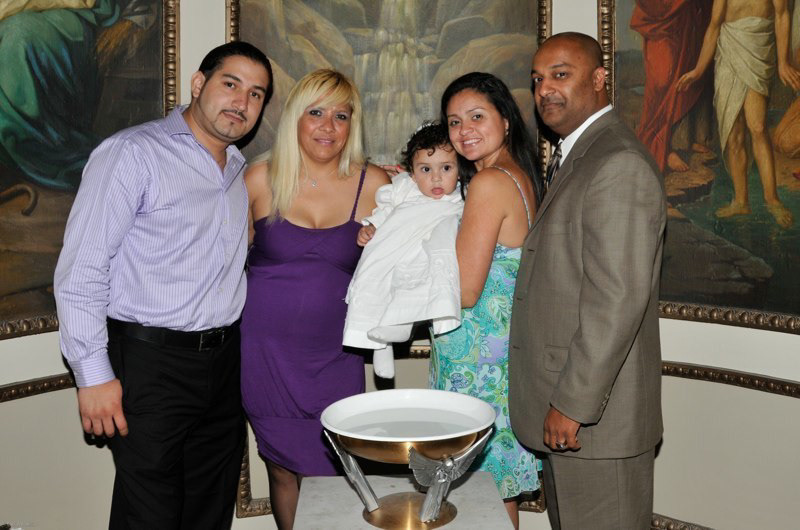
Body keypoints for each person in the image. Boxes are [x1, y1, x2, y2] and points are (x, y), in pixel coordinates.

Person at [54, 41, 272, 529]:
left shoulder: (237, 170)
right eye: (230, 84)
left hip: (223, 366)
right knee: (148, 515)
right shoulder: (132, 153)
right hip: (150, 365)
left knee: (209, 510)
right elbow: (81, 271)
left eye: (256, 94)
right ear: (198, 84)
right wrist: (92, 375)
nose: (242, 101)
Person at [510, 33, 666, 530]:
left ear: (600, 79)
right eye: (537, 79)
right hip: (576, 422)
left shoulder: (617, 162)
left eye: (561, 74)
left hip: (595, 423)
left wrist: (571, 405)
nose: (545, 90)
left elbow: (616, 301)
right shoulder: (580, 154)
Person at [240, 69, 388, 530]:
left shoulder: (376, 183)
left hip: (336, 358)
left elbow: (411, 253)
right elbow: (218, 263)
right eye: (316, 113)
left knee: (337, 473)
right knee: (282, 471)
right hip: (265, 356)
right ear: (295, 120)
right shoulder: (259, 179)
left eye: (341, 116)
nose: (328, 126)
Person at [431, 72, 542, 529]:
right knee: (492, 491)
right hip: (497, 353)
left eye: (477, 116)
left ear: (506, 119)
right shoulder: (517, 175)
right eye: (454, 122)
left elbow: (465, 290)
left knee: (482, 491)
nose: (464, 131)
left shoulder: (490, 182)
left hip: (477, 360)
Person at [343, 122, 465, 379]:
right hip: (396, 242)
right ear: (412, 174)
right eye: (425, 169)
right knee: (376, 280)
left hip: (428, 250)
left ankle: (398, 327)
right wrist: (371, 226)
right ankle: (381, 345)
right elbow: (385, 210)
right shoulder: (403, 189)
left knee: (418, 282)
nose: (436, 178)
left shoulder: (462, 196)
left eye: (446, 168)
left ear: (459, 169)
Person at [676, 0, 800, 228]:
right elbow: (714, 25)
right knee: (734, 133)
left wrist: (783, 62)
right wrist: (698, 70)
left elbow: (782, 14)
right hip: (729, 49)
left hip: (758, 47)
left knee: (758, 127)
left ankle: (772, 200)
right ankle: (741, 201)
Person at [630, 0, 714, 172]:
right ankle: (661, 148)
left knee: (686, 71)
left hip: (686, 14)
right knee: (663, 81)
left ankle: (680, 140)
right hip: (661, 13)